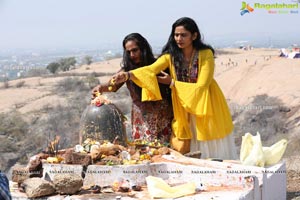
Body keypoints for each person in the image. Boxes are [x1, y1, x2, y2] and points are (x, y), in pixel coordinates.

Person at [112, 17, 237, 160]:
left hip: (206, 104)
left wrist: (172, 83)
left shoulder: (205, 54)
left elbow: (202, 86)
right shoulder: (170, 56)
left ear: (194, 36)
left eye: (183, 35)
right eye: (176, 35)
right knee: (188, 146)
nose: (179, 38)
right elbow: (150, 70)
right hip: (183, 107)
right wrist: (128, 75)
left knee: (209, 143)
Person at [92, 33, 173, 144]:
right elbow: (113, 85)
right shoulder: (126, 71)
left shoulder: (156, 65)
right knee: (144, 152)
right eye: (128, 52)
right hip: (140, 117)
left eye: (135, 50)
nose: (132, 55)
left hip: (163, 116)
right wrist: (101, 87)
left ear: (143, 49)